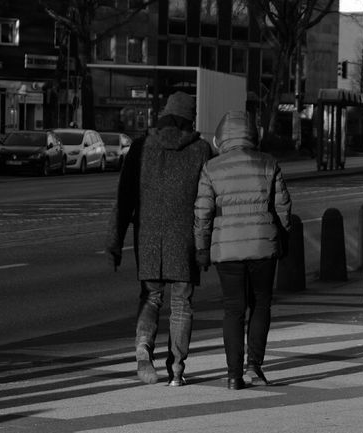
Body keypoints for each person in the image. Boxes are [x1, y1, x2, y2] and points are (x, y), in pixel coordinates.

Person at [106, 92, 212, 386]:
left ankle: (143, 350)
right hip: (185, 239)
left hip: (149, 236)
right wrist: (207, 246)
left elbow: (124, 198)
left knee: (151, 297)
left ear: (164, 114)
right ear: (190, 119)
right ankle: (177, 370)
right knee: (182, 303)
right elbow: (208, 201)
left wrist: (115, 242)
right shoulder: (201, 150)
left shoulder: (140, 147)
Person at [193, 109, 291, 390]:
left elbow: (202, 213)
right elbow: (283, 207)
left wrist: (202, 249)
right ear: (253, 135)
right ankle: (254, 366)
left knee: (233, 309)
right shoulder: (268, 163)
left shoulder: (212, 168)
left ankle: (233, 374)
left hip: (227, 249)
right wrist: (282, 240)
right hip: (263, 245)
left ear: (220, 138)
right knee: (261, 304)